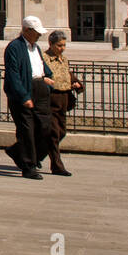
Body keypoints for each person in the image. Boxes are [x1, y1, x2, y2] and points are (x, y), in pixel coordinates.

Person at [3, 16, 53, 180]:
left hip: (40, 89)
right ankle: (28, 166)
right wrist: (24, 96)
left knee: (46, 128)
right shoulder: (14, 47)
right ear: (26, 30)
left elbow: (41, 66)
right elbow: (13, 75)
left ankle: (18, 152)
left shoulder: (36, 47)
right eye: (36, 32)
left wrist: (47, 77)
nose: (39, 35)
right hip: (23, 91)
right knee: (27, 131)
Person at [43, 29, 81, 177]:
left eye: (64, 45)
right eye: (59, 45)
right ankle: (57, 165)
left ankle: (27, 154)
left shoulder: (63, 59)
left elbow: (67, 74)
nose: (62, 48)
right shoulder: (44, 58)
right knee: (54, 133)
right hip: (51, 98)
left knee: (62, 131)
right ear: (51, 44)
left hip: (63, 99)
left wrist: (76, 83)